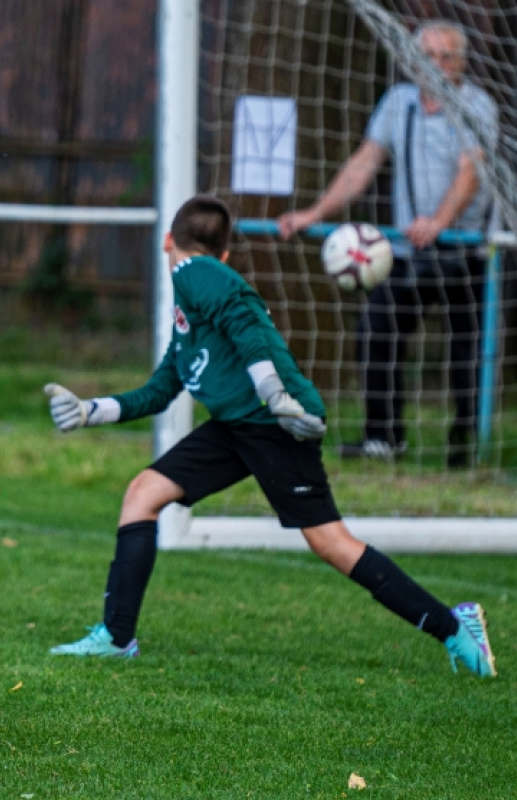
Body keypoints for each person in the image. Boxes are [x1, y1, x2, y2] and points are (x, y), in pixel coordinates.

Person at [43, 193, 495, 678]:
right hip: (238, 427)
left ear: (168, 240)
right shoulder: (190, 312)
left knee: (331, 543)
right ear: (227, 252)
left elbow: (246, 319)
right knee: (143, 493)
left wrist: (274, 394)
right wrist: (91, 410)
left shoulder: (195, 273)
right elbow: (160, 390)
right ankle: (116, 637)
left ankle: (454, 625)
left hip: (276, 425)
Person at [278, 20, 498, 468]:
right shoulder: (398, 104)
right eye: (428, 56)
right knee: (376, 329)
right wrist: (315, 213)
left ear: (462, 63)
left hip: (467, 251)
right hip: (408, 253)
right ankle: (383, 437)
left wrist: (438, 221)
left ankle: (464, 447)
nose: (436, 65)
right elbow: (365, 162)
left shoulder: (478, 105)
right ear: (412, 61)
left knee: (467, 353)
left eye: (446, 57)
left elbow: (470, 172)